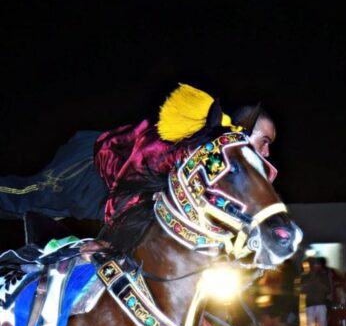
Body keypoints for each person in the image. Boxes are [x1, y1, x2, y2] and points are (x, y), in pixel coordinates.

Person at [0, 89, 277, 226]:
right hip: (87, 167)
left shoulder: (221, 166)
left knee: (39, 217)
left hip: (107, 198)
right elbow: (135, 173)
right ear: (242, 131)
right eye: (264, 142)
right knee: (24, 196)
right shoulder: (195, 140)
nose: (266, 153)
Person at [298, 258, 331, 326]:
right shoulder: (304, 276)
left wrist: (317, 283)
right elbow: (300, 290)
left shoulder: (323, 275)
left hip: (320, 304)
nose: (314, 267)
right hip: (310, 305)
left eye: (316, 265)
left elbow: (328, 289)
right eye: (313, 265)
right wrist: (311, 283)